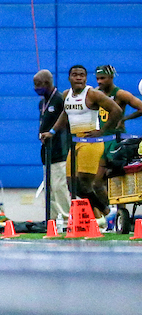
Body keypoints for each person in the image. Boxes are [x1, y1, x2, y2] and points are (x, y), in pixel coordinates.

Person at [40, 64, 121, 220]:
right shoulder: (66, 95)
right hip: (75, 142)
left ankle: (107, 212)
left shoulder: (92, 94)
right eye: (75, 74)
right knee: (72, 185)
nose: (79, 77)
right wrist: (51, 132)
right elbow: (65, 114)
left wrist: (102, 131)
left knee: (84, 183)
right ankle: (99, 219)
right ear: (69, 77)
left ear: (86, 77)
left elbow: (116, 110)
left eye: (82, 75)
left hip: (91, 142)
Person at [93, 64, 142, 225]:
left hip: (116, 140)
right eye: (98, 78)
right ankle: (110, 213)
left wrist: (125, 118)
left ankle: (120, 215)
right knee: (97, 181)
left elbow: (141, 107)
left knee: (116, 177)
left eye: (103, 78)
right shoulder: (95, 93)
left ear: (111, 78)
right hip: (100, 140)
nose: (99, 81)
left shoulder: (120, 94)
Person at [34, 69, 71, 225]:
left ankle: (68, 217)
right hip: (47, 151)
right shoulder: (42, 103)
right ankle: (52, 219)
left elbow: (66, 121)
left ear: (47, 83)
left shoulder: (60, 99)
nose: (35, 88)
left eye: (37, 85)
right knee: (49, 189)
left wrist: (53, 132)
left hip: (60, 149)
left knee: (59, 186)